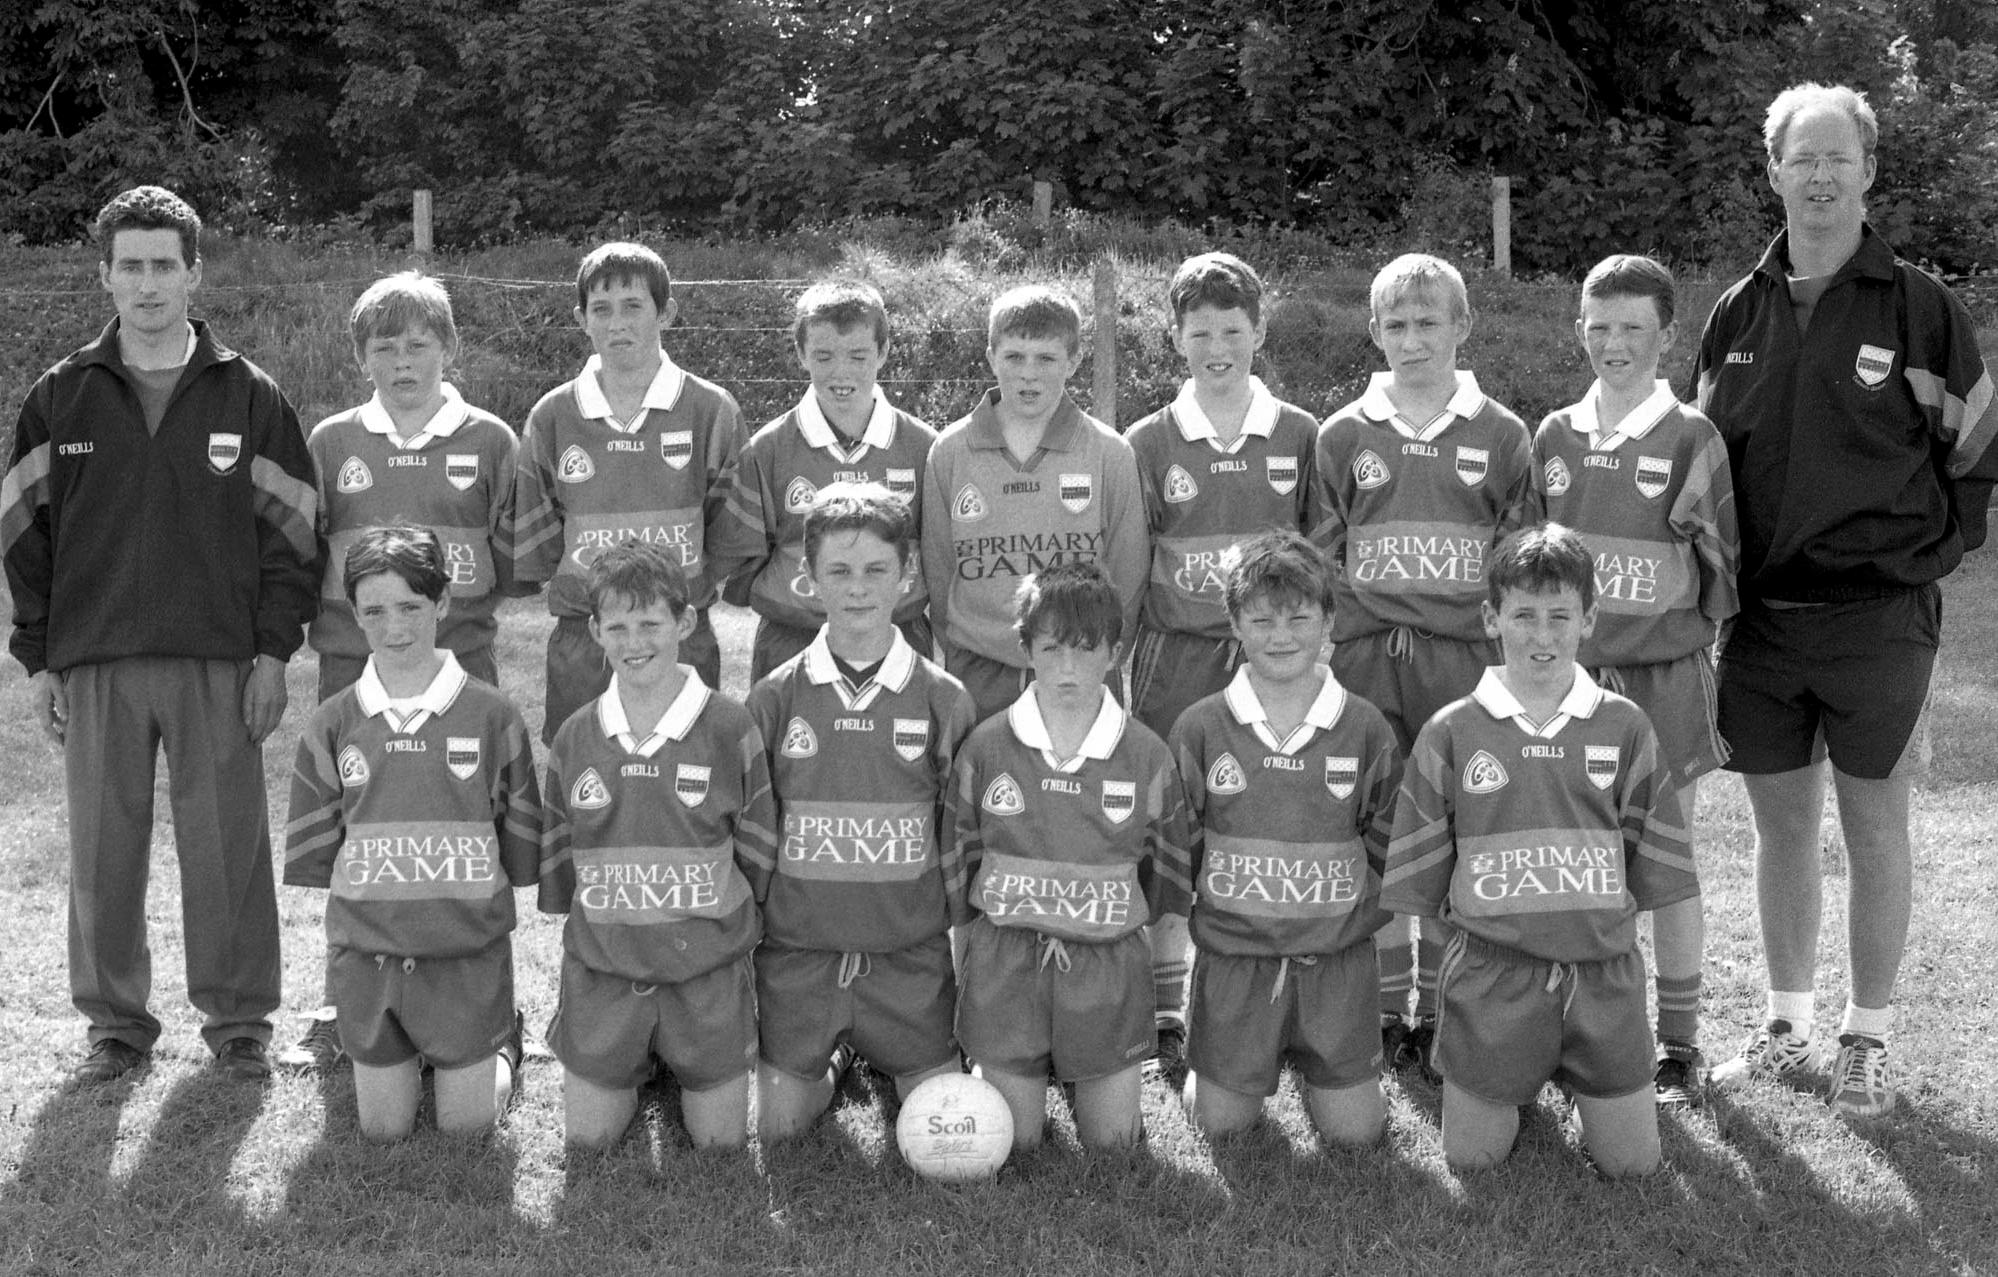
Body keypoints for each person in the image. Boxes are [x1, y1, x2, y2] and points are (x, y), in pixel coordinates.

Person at [1691, 82, 1998, 1120]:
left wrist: (1926, 555)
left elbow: (1977, 448)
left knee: (1874, 828)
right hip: (1762, 624)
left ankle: (1866, 1037)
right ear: (1773, 171)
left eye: (1837, 157)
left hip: (1880, 622)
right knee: (1780, 831)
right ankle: (1786, 1025)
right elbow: (1702, 463)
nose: (1818, 176)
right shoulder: (1736, 312)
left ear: (1868, 170)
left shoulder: (1919, 306)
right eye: (1800, 157)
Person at [3, 185, 318, 1084]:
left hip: (218, 657)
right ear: (104, 274)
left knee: (226, 848)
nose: (148, 284)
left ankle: (240, 1020)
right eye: (131, 266)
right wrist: (40, 657)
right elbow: (23, 532)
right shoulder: (60, 396)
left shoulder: (248, 393)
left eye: (164, 266)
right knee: (103, 851)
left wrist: (273, 651)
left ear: (194, 274)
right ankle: (114, 1023)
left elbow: (293, 533)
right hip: (96, 657)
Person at [1381, 524, 1695, 1177]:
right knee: (1473, 1159)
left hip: (1602, 976)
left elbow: (1655, 871)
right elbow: (1426, 893)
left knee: (1633, 1167)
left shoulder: (1625, 725)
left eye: (1560, 615)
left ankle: (1584, 1080)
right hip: (1493, 978)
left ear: (1590, 620)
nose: (1542, 634)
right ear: (1491, 618)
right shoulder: (1450, 731)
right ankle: (1509, 1073)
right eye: (1524, 615)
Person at [280, 270, 523, 1071]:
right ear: (362, 358)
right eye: (385, 348)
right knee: (358, 833)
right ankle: (341, 1000)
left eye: (420, 344)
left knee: (471, 832)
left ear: (449, 347)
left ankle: (493, 1003)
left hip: (461, 666)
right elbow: (304, 552)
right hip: (353, 669)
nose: (404, 361)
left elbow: (510, 558)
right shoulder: (331, 442)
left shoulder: (491, 440)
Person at [1310, 252, 1534, 1083]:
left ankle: (1442, 1009)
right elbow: (1323, 559)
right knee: (1369, 828)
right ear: (1374, 331)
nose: (1412, 340)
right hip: (1368, 663)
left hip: (1464, 665)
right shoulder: (1343, 434)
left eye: (1427, 322)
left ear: (1462, 326)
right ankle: (1379, 1009)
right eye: (1396, 325)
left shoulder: (1503, 434)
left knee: (1456, 831)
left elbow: (1516, 565)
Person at [1532, 254, 1739, 1107]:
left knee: (1666, 864)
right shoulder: (1554, 435)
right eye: (1599, 326)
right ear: (1579, 329)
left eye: (1632, 328)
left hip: (1663, 686)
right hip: (1568, 688)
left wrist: (1669, 637)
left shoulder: (1692, 436)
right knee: (1573, 863)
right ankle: (1571, 1030)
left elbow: (1721, 567)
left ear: (1668, 335)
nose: (1614, 343)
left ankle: (1679, 1043)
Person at [1125, 252, 1320, 1084]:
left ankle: (1275, 998)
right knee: (1173, 832)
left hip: (1274, 666)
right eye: (1200, 333)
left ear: (1259, 332)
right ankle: (1166, 1012)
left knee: (1270, 823)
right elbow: (1132, 565)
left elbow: (1319, 561)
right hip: (1175, 661)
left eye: (1232, 331)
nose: (1217, 348)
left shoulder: (1301, 434)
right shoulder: (1147, 441)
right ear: (1175, 337)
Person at [281, 526, 540, 1138]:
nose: (394, 627)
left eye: (410, 607)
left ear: (443, 602)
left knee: (466, 1129)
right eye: (374, 611)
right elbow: (322, 856)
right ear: (353, 614)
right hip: (371, 958)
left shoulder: (493, 716)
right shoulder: (333, 722)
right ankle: (415, 1051)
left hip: (465, 955)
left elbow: (519, 846)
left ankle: (503, 1049)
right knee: (384, 1132)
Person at [744, 484, 977, 1140]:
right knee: (780, 1130)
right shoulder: (774, 699)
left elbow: (959, 846)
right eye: (839, 571)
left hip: (907, 959)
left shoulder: (943, 698)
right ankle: (835, 1055)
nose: (857, 588)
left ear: (906, 574)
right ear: (810, 577)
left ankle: (887, 1046)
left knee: (937, 1119)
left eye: (876, 569)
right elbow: (753, 842)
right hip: (800, 957)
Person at [943, 560, 1193, 1152]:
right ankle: (1008, 1066)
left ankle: (1093, 1069)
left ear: (1114, 653)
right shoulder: (986, 748)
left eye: (1085, 648)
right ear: (1026, 649)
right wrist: (963, 988)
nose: (1068, 667)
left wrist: (1164, 1007)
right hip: (1008, 969)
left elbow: (1165, 891)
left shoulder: (1147, 756)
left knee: (1114, 1145)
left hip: (1106, 971)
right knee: (1015, 1142)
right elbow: (960, 882)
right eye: (1052, 648)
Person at [537, 541, 775, 1150]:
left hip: (705, 973)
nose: (634, 641)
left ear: (685, 622)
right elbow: (561, 859)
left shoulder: (730, 727)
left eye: (650, 623)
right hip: (606, 973)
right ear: (595, 631)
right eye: (617, 627)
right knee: (587, 1142)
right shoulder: (575, 736)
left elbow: (757, 854)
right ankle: (636, 1062)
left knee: (721, 1146)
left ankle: (677, 1061)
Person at [1169, 532, 1399, 1146]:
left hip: (1335, 965)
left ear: (1329, 621)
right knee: (1218, 1126)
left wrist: (1342, 921)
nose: (1281, 636)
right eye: (1262, 620)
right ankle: (1228, 1067)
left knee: (1357, 1137)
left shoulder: (1365, 727)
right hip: (1236, 963)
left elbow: (1386, 849)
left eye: (1299, 618)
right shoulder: (1201, 727)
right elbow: (1180, 850)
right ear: (1234, 624)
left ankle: (1328, 1072)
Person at [512, 242, 744, 742]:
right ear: (581, 319)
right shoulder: (552, 417)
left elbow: (729, 538)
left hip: (681, 633)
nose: (617, 323)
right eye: (602, 309)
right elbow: (541, 542)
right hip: (585, 636)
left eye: (633, 306)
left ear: (666, 313)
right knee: (584, 775)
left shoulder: (712, 411)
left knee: (691, 770)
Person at [920, 285, 1148, 723]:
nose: (1029, 374)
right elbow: (940, 570)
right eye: (1014, 357)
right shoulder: (950, 452)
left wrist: (1093, 655)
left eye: (1046, 358)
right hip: (980, 671)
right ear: (991, 358)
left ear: (1074, 361)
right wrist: (970, 647)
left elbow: (1128, 575)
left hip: (1080, 667)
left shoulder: (1108, 453)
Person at [710, 280, 938, 683]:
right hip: (792, 639)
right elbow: (746, 558)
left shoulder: (924, 447)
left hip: (897, 637)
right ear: (801, 354)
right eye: (824, 356)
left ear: (884, 351)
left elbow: (938, 557)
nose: (841, 372)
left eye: (858, 356)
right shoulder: (767, 449)